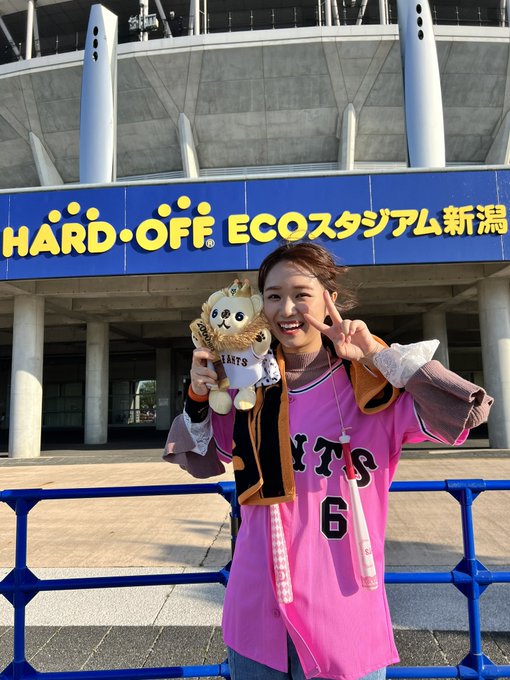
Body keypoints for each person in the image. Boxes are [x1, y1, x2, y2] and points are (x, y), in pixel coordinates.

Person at [164, 242, 492, 680]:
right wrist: (198, 394)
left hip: (344, 615)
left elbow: (467, 411)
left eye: (301, 294)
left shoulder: (373, 385)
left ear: (329, 299)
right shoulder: (250, 389)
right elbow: (199, 458)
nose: (286, 309)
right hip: (256, 613)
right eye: (273, 296)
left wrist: (377, 354)